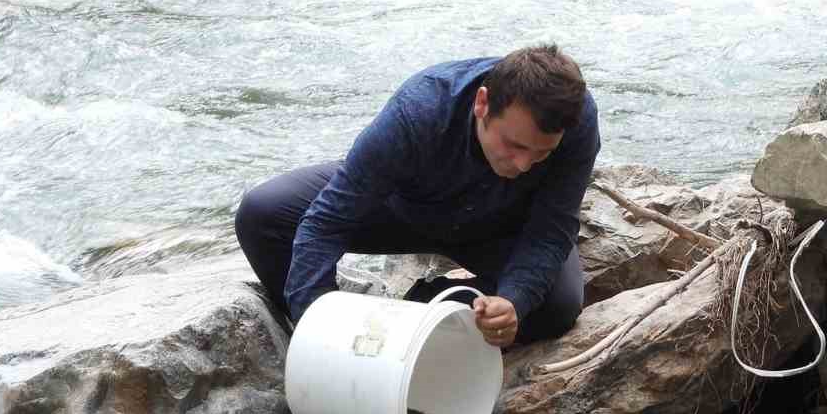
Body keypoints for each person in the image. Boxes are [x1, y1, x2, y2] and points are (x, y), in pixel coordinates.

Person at [235, 45, 599, 349]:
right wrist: (323, 333)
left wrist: (512, 301)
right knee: (262, 213)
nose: (523, 164)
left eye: (541, 154)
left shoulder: (577, 121)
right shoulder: (421, 109)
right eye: (514, 145)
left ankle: (426, 306)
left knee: (557, 305)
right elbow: (328, 221)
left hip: (501, 227)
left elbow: (551, 229)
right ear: (483, 104)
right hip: (402, 210)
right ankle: (325, 324)